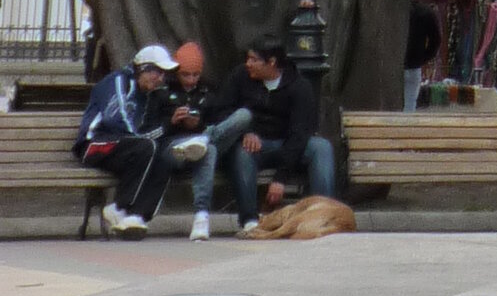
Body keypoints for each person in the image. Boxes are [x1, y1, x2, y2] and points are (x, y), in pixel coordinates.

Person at [188, 38, 337, 238]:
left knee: (321, 147)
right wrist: (245, 132)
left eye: (254, 60)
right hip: (257, 145)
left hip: (288, 144)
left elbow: (300, 133)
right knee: (243, 153)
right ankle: (249, 220)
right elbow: (220, 111)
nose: (248, 64)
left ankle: (325, 213)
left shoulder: (299, 86)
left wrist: (280, 178)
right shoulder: (240, 77)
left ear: (272, 62)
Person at [76, 43, 209, 238]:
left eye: (164, 75)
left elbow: (145, 133)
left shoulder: (147, 95)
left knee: (164, 157)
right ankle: (120, 207)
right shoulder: (118, 81)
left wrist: (169, 125)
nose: (161, 79)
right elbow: (118, 120)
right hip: (94, 144)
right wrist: (149, 139)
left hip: (124, 148)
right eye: (157, 72)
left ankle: (138, 216)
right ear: (143, 69)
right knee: (147, 147)